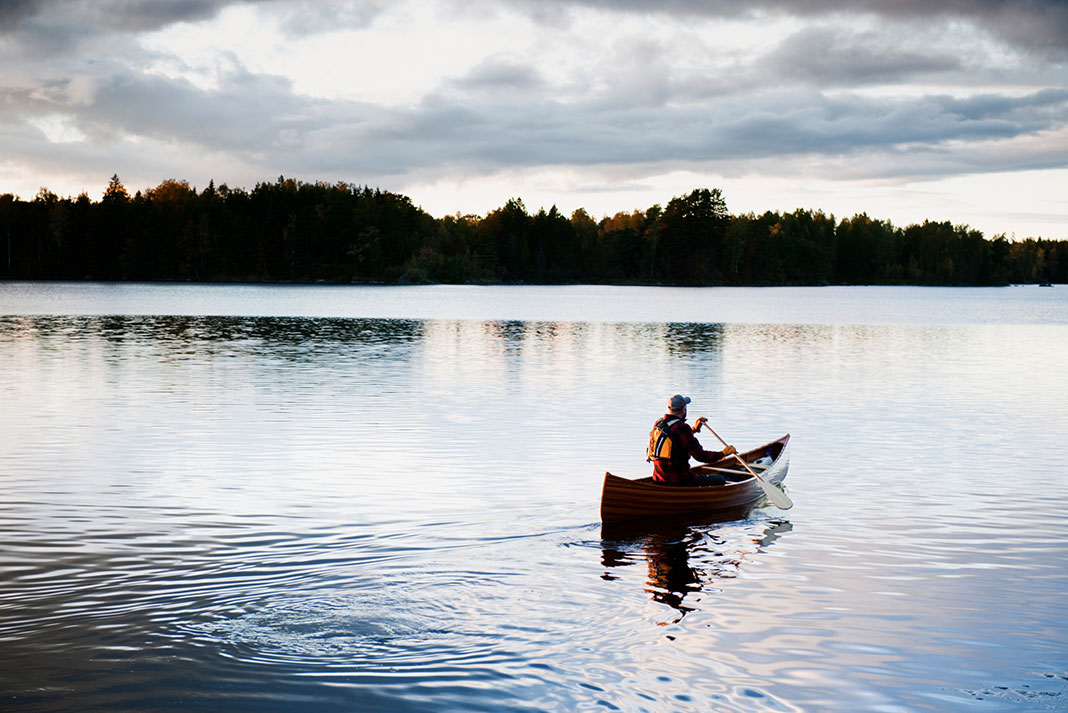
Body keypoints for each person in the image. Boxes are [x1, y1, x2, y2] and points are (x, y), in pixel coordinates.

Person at [647, 394, 736, 486]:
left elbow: (674, 441)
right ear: (684, 409)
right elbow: (701, 456)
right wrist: (723, 453)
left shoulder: (659, 424)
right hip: (681, 481)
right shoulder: (682, 428)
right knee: (720, 479)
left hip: (659, 480)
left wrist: (693, 429)